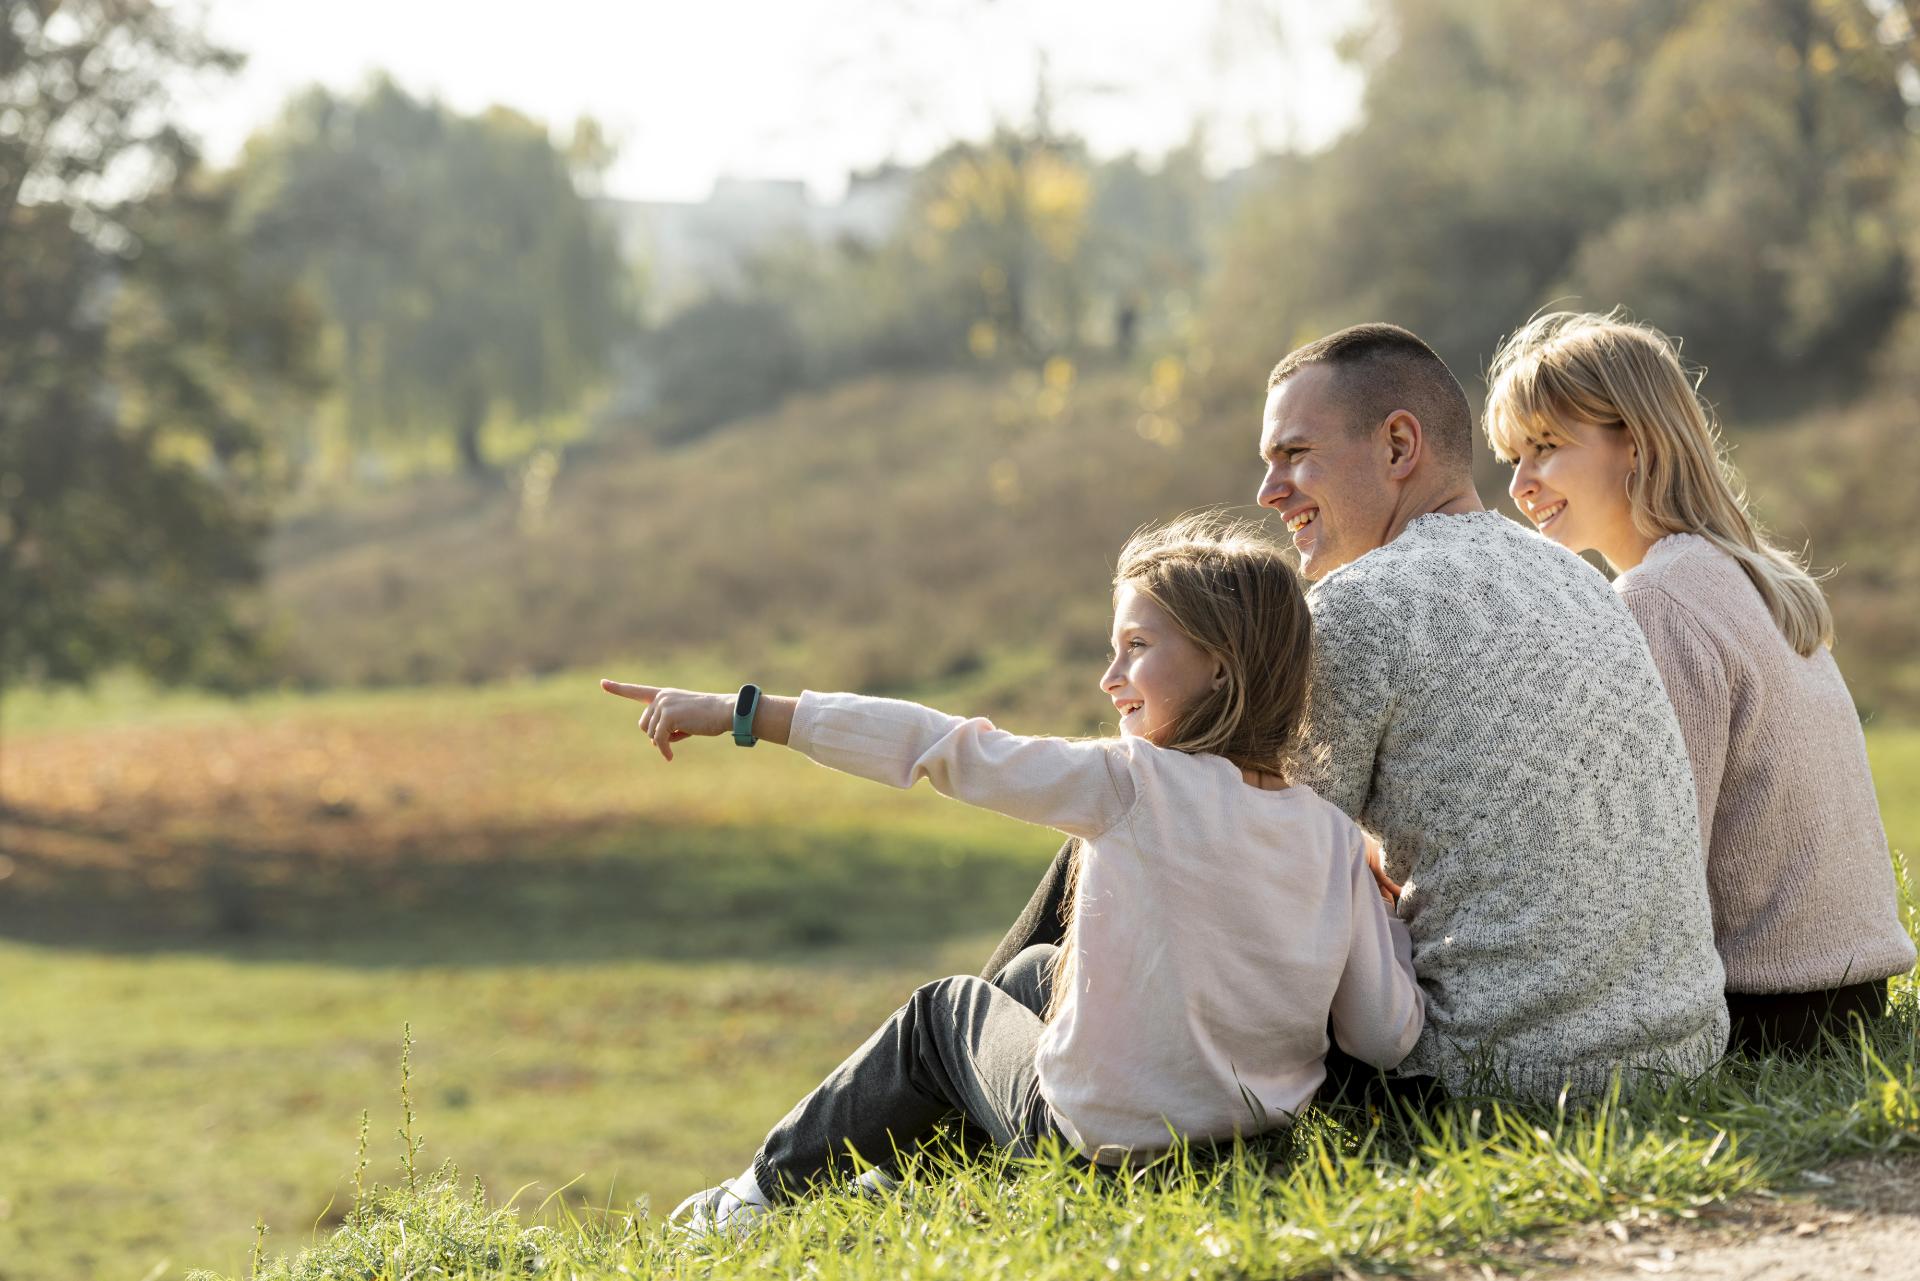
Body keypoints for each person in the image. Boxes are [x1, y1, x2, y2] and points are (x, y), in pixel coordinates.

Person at [602, 514, 1424, 1235]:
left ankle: (750, 1199)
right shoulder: (1329, 834)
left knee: (942, 1014)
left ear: (1221, 666)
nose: (1109, 679)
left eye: (1136, 648)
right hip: (1240, 1150)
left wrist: (744, 712)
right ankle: (898, 1174)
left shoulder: (1131, 781)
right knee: (1034, 973)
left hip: (1100, 1148)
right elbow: (1383, 1033)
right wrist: (1386, 914)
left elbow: (940, 745)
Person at [988, 323, 1729, 1101]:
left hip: (1492, 1072)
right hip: (1678, 1050)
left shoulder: (1359, 609)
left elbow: (1246, 871)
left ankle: (981, 1106)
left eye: (1294, 455)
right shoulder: (1576, 580)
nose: (1269, 492)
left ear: (1399, 446)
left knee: (1104, 858)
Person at [1485, 309, 1916, 1055]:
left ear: (1637, 443)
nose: (1522, 484)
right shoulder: (1746, 573)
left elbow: (1650, 859)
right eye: (1512, 457)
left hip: (1771, 1008)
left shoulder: (1659, 599)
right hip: (1850, 991)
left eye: (1547, 447)